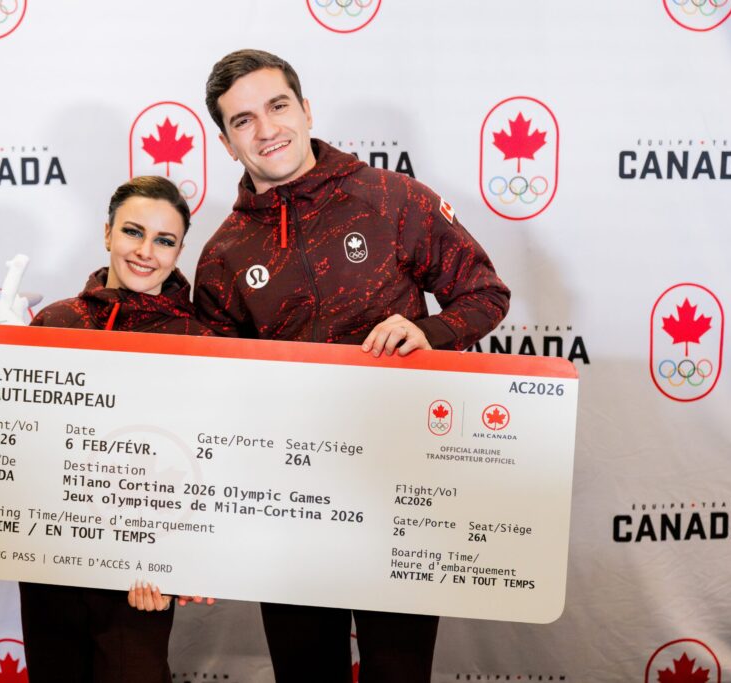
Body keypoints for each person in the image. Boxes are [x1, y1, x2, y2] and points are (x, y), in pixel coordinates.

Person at [195, 49, 511, 682]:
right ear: (227, 144)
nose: (267, 129)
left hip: (398, 490)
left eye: (278, 106)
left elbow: (485, 294)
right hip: (288, 506)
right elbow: (214, 394)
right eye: (243, 121)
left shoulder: (391, 199)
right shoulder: (223, 255)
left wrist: (426, 332)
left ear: (307, 110)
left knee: (399, 671)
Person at [20, 175, 213, 683]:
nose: (146, 251)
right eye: (133, 232)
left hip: (141, 576)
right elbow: (25, 443)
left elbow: (212, 461)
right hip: (51, 564)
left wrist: (182, 563)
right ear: (107, 233)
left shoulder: (200, 338)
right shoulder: (56, 322)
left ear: (179, 252)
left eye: (164, 240)